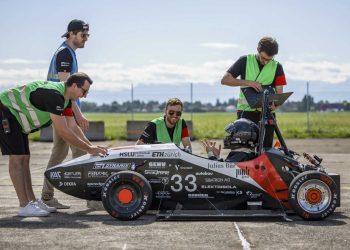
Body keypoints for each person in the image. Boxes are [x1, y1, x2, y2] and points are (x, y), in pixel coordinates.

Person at [0, 72, 108, 217]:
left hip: (17, 118)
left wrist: (92, 148)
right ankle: (24, 205)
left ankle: (32, 201)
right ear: (74, 85)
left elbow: (73, 127)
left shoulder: (66, 99)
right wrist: (89, 149)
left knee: (25, 159)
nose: (85, 95)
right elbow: (63, 131)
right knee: (17, 158)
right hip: (5, 110)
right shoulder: (54, 96)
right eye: (84, 91)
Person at [42, 19, 91, 209]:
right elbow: (67, 89)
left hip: (63, 111)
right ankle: (92, 199)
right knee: (82, 151)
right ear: (71, 34)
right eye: (83, 35)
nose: (86, 39)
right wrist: (78, 114)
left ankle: (46, 197)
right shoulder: (65, 54)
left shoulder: (68, 52)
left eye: (87, 35)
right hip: (65, 112)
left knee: (59, 153)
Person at [221, 36, 287, 148]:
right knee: (244, 149)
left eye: (269, 59)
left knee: (265, 150)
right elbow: (225, 80)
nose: (265, 62)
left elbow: (279, 93)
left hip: (267, 114)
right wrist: (249, 83)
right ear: (257, 49)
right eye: (263, 58)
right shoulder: (244, 61)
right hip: (245, 113)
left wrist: (276, 105)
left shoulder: (277, 67)